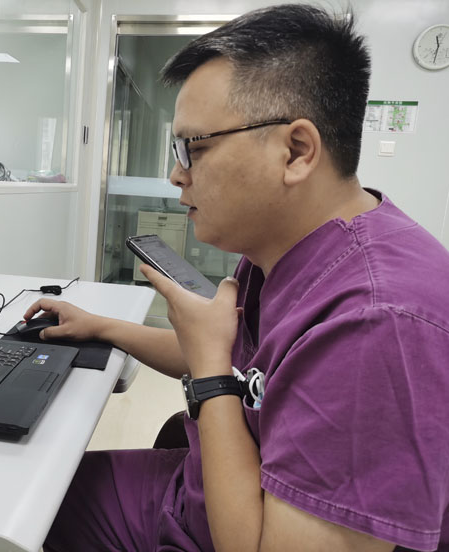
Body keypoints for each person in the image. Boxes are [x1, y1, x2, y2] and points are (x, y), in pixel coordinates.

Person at [29, 4, 449, 551]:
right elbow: (242, 362)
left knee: (26, 517)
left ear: (296, 151)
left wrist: (209, 369)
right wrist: (102, 327)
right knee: (38, 489)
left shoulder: (377, 323)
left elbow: (217, 362)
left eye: (195, 148)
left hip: (230, 529)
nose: (175, 174)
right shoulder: (286, 246)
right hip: (203, 493)